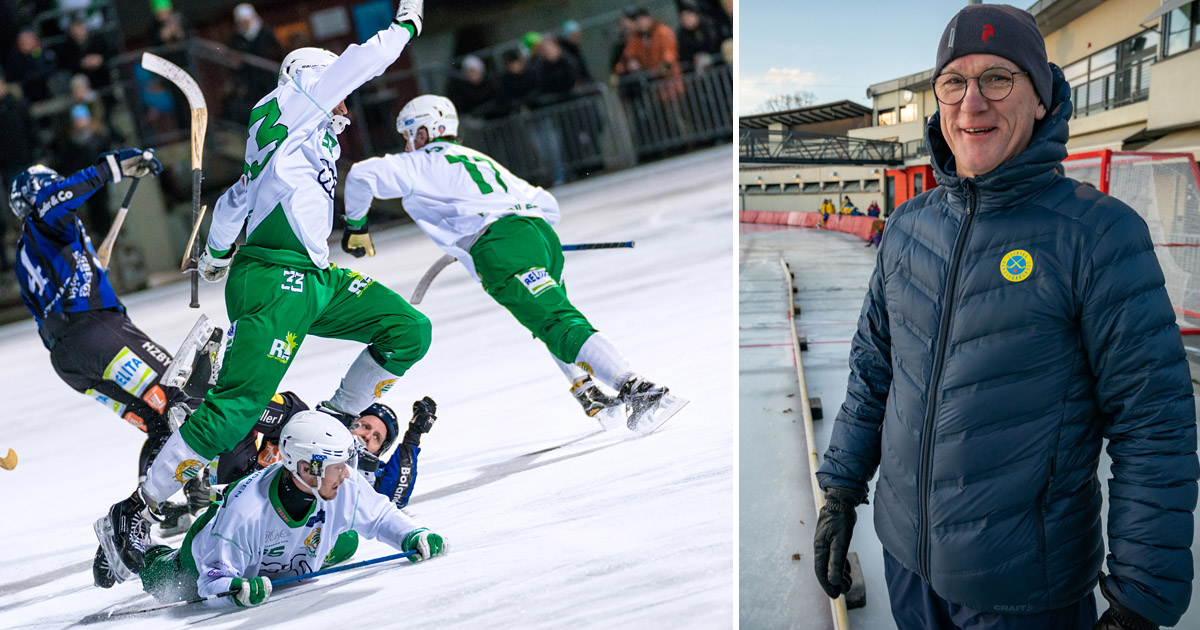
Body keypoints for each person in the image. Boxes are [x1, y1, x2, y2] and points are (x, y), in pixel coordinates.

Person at [812, 5, 1197, 630]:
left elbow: (1154, 422)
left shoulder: (1097, 235)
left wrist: (1139, 601)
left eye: (998, 79)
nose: (972, 104)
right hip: (907, 565)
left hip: (1024, 590)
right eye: (954, 84)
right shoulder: (909, 226)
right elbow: (873, 373)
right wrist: (840, 490)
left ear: (1041, 99)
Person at [94, 0, 429, 583]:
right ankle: (134, 511)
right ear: (312, 76)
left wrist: (218, 256)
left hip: (307, 276)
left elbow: (234, 201)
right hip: (279, 277)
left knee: (407, 330)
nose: (345, 107)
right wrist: (408, 20)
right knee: (231, 416)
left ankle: (332, 421)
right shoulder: (300, 101)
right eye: (337, 92)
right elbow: (370, 57)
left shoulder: (281, 132)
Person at [343, 95, 686, 431]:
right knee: (549, 319)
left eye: (408, 136)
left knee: (554, 320)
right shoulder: (478, 159)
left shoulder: (418, 164)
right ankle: (586, 388)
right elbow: (547, 204)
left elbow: (361, 175)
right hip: (538, 236)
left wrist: (357, 227)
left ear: (424, 132)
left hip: (501, 246)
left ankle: (638, 390)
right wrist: (519, 233)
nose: (406, 146)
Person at [9, 153, 223, 553]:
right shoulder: (43, 221)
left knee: (159, 422)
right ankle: (203, 493)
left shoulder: (29, 251)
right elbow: (56, 199)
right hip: (95, 330)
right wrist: (114, 167)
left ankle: (140, 520)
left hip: (69, 359)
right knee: (179, 392)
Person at [135, 412, 447, 607]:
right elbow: (211, 582)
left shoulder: (340, 485)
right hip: (206, 554)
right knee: (167, 583)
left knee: (348, 540)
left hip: (280, 555)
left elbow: (380, 516)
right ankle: (150, 555)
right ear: (305, 468)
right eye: (338, 467)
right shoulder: (245, 513)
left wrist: (412, 535)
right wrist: (234, 590)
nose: (347, 475)